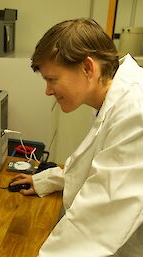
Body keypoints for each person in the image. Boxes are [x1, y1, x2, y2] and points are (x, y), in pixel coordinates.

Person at [10, 18, 143, 257]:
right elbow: (105, 164)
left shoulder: (136, 110)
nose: (48, 91)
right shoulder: (114, 100)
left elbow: (97, 222)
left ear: (88, 68)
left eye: (52, 79)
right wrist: (48, 179)